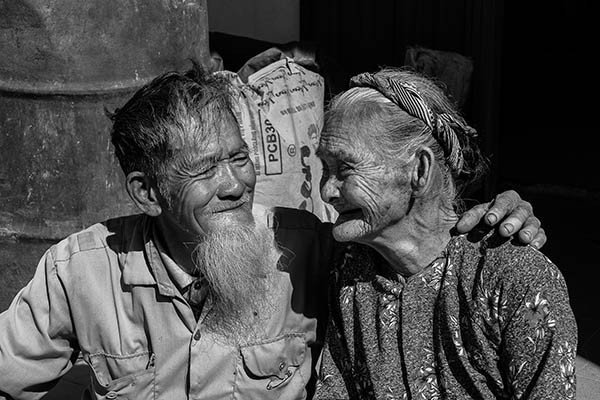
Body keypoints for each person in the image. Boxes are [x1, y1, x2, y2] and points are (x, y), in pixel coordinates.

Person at [0, 64, 545, 400]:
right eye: (204, 170)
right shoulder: (79, 272)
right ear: (147, 193)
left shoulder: (309, 248)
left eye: (239, 157)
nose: (235, 184)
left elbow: (417, 240)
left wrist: (492, 223)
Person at [313, 68, 577, 399]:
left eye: (345, 169)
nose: (327, 191)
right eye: (325, 169)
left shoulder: (511, 278)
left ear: (419, 170)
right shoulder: (352, 271)